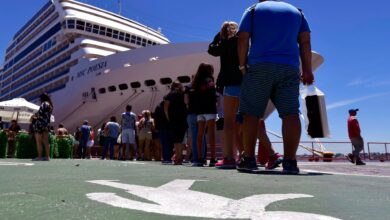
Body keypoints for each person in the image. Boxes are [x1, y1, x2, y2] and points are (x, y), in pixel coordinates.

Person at [237, 0, 313, 174]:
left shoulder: (253, 10)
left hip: (259, 66)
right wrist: (307, 69)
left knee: (251, 113)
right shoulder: (297, 12)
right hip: (289, 68)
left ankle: (248, 159)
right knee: (291, 113)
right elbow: (305, 41)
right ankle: (290, 162)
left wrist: (242, 65)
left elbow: (243, 37)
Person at [208, 21, 244, 169]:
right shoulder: (242, 39)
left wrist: (218, 37)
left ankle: (229, 157)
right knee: (248, 119)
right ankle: (247, 154)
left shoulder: (224, 42)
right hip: (245, 80)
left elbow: (211, 50)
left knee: (229, 121)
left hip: (230, 82)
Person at [192, 63, 217, 167]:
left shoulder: (196, 82)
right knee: (211, 133)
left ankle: (200, 158)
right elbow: (212, 92)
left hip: (199, 111)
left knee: (200, 134)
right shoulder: (209, 80)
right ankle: (212, 158)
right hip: (209, 109)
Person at [164, 81, 188, 165]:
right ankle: (180, 158)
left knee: (176, 140)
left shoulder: (169, 95)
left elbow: (166, 108)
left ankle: (177, 158)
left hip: (174, 119)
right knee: (181, 140)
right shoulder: (183, 93)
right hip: (183, 118)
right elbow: (186, 103)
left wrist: (168, 118)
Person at [33, 93, 53, 161]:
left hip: (40, 124)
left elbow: (39, 113)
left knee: (39, 141)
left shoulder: (44, 104)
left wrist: (33, 116)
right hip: (46, 124)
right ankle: (47, 157)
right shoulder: (50, 105)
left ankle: (40, 157)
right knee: (46, 141)